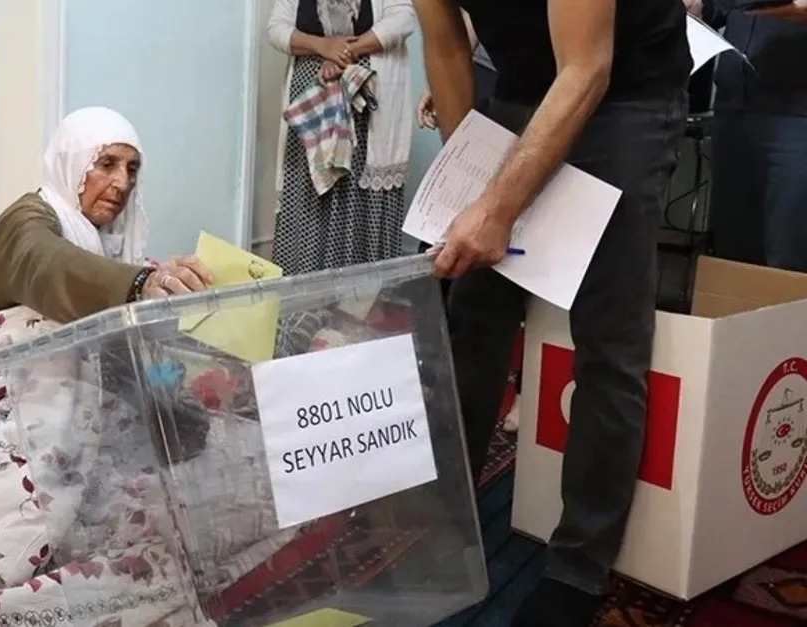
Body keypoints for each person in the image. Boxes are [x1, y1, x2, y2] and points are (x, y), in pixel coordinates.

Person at [413, 0, 691, 625]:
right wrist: (469, 181)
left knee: (609, 338)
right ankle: (446, 519)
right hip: (523, 86)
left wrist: (498, 208)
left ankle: (578, 566)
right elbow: (447, 46)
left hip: (627, 90)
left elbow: (586, 67)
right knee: (472, 314)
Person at [0, 107, 213, 322]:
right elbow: (43, 260)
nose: (123, 183)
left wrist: (170, 280)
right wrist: (139, 283)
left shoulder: (109, 237)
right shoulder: (27, 216)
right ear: (70, 164)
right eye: (106, 164)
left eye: (132, 169)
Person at [266, 0, 417, 275]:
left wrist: (347, 51)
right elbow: (276, 28)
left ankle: (360, 296)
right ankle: (304, 291)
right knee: (309, 194)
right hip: (311, 110)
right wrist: (323, 46)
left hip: (368, 111)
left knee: (358, 194)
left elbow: (403, 19)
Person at [691, 0, 807, 272]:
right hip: (732, 106)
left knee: (789, 256)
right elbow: (722, 7)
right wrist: (700, 7)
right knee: (732, 253)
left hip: (797, 114)